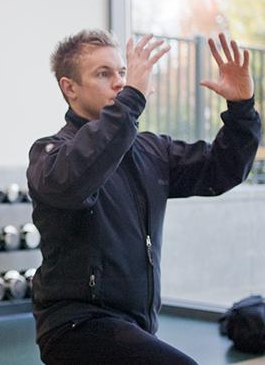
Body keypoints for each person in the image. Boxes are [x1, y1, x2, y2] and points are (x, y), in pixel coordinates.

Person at [26, 30, 261, 364]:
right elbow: (77, 179)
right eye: (103, 74)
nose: (120, 82)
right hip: (76, 326)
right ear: (70, 87)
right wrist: (133, 98)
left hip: (135, 325)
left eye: (122, 72)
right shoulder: (50, 154)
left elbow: (223, 169)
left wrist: (241, 109)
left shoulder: (151, 150)